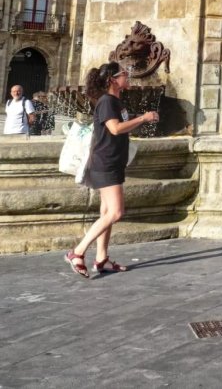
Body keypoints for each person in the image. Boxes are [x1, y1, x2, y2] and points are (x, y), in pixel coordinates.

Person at [64, 63, 158, 278]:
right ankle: (77, 253)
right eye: (125, 74)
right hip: (105, 163)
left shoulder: (115, 101)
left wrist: (139, 120)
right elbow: (114, 128)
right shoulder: (107, 101)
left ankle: (101, 259)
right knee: (116, 212)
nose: (129, 76)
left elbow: (119, 128)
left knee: (106, 213)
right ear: (114, 79)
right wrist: (143, 118)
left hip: (112, 162)